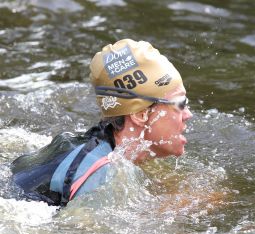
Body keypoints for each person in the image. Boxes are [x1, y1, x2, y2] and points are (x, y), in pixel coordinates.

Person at [11, 39, 193, 206]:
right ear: (141, 115)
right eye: (181, 104)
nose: (188, 114)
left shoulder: (99, 146)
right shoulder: (102, 173)